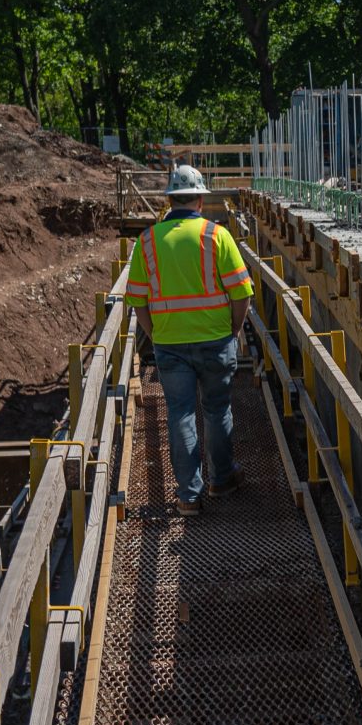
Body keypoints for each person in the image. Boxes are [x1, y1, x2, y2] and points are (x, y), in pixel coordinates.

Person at [124, 165, 254, 510]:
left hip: (169, 344)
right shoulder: (216, 236)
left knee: (180, 414)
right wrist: (234, 331)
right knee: (216, 410)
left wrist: (156, 335)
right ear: (200, 199)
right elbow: (242, 293)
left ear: (169, 200)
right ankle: (221, 481)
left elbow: (137, 300)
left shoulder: (148, 241)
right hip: (215, 339)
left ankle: (188, 497)